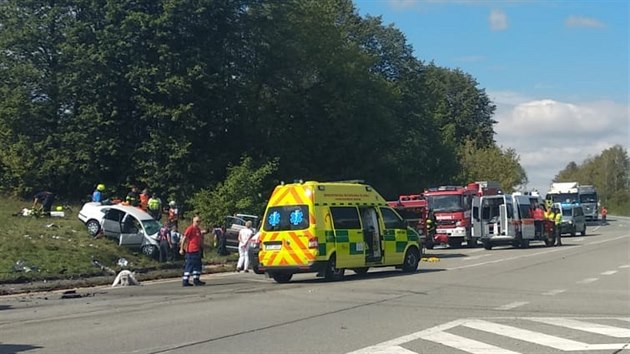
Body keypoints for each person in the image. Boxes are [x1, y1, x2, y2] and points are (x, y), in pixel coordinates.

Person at [180, 216, 207, 286]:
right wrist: (181, 248)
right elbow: (184, 238)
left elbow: (199, 239)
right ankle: (185, 280)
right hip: (191, 250)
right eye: (197, 221)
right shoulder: (190, 229)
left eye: (199, 221)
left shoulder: (198, 229)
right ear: (193, 221)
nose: (198, 223)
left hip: (197, 250)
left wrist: (202, 247)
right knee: (190, 265)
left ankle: (196, 279)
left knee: (197, 265)